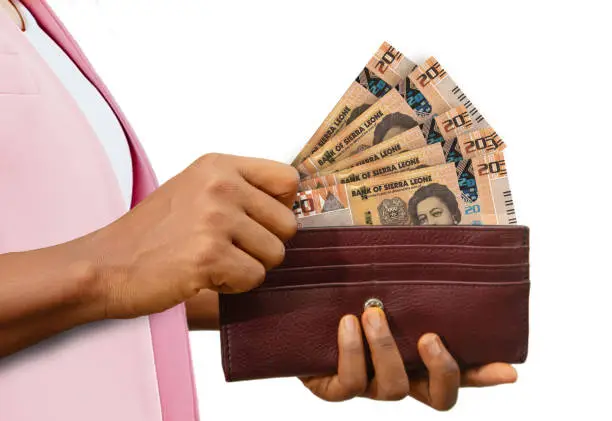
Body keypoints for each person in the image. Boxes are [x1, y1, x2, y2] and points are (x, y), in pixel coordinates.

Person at [0, 0, 516, 414]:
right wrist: (109, 269)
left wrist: (323, 300)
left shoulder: (37, 19)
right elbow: (117, 271)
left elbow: (125, 278)